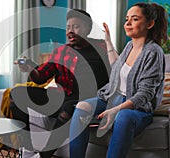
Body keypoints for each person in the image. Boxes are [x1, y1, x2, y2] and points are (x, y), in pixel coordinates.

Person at [69, 2, 168, 158]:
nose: (127, 23)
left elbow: (145, 94)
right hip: (113, 97)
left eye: (134, 19)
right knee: (82, 106)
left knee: (123, 116)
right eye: (127, 18)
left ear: (150, 24)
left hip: (137, 108)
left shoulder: (154, 52)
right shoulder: (129, 46)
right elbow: (117, 69)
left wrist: (116, 110)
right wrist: (108, 41)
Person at [9, 9, 110, 157]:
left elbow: (117, 71)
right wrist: (30, 67)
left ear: (87, 29)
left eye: (76, 27)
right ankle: (27, 149)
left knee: (67, 109)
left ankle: (42, 156)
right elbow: (41, 77)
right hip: (62, 97)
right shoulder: (62, 51)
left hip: (87, 101)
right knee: (17, 94)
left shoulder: (102, 47)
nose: (70, 31)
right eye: (68, 27)